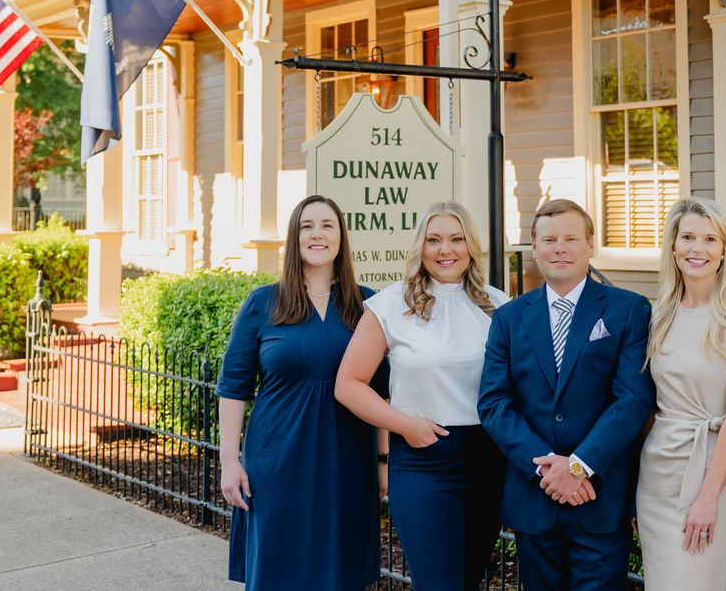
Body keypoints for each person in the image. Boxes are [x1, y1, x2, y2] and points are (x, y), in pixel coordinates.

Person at [478, 198, 655, 591]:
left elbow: (632, 400)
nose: (560, 248)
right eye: (549, 239)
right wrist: (547, 469)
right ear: (534, 247)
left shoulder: (628, 309)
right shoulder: (508, 317)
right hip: (535, 497)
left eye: (571, 238)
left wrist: (577, 467)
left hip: (600, 497)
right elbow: (493, 403)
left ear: (590, 245)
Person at [335, 201, 509, 591]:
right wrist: (406, 425)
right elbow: (348, 384)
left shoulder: (499, 306)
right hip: (424, 459)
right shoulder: (391, 304)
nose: (445, 250)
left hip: (487, 460)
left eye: (456, 239)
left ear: (471, 246)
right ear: (420, 247)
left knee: (469, 581)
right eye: (434, 240)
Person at [217, 195, 381, 591]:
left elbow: (383, 391)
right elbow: (233, 387)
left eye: (327, 225)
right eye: (307, 226)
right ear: (294, 237)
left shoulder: (368, 305)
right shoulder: (263, 303)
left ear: (341, 237)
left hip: (348, 459)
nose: (317, 234)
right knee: (279, 567)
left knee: (341, 566)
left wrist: (383, 460)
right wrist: (228, 462)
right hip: (277, 462)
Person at [636, 197, 726, 590]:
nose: (698, 248)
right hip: (656, 474)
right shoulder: (658, 313)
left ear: (725, 249)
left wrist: (708, 496)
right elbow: (648, 406)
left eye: (710, 239)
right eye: (689, 237)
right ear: (673, 247)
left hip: (708, 472)